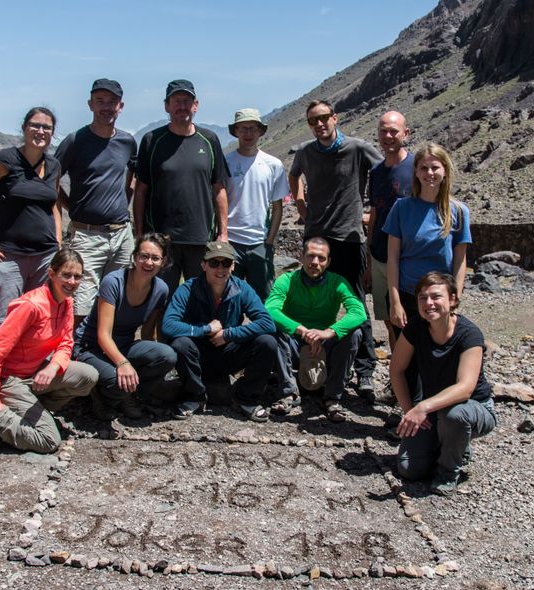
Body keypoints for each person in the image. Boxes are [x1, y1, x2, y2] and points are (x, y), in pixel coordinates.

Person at [0, 249, 98, 454]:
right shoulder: (31, 305)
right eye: (66, 275)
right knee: (48, 441)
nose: (72, 282)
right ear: (52, 273)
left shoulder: (66, 302)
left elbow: (66, 343)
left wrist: (53, 367)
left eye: (77, 276)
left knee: (88, 376)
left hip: (34, 372)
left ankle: (29, 411)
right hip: (9, 379)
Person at [0, 107, 62, 394]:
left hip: (44, 257)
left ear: (52, 133)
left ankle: (19, 385)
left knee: (36, 323)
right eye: (35, 125)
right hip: (10, 256)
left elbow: (53, 204)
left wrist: (57, 240)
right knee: (0, 324)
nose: (40, 131)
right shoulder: (6, 160)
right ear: (24, 127)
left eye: (46, 127)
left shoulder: (53, 165)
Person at [288, 100, 381, 398]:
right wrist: (301, 206)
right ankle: (311, 358)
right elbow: (294, 176)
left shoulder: (357, 148)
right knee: (310, 298)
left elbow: (384, 172)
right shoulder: (305, 152)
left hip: (349, 239)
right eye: (313, 120)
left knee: (356, 302)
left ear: (335, 118)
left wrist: (372, 213)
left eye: (324, 117)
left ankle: (365, 371)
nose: (319, 124)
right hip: (316, 237)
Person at [389, 272, 496, 496]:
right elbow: (396, 370)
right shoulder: (416, 328)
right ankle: (452, 445)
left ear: (453, 300)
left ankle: (448, 473)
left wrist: (422, 406)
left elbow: (465, 388)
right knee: (409, 469)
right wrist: (409, 410)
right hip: (434, 409)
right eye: (422, 297)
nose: (429, 303)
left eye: (436, 297)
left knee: (454, 415)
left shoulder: (469, 335)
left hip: (472, 407)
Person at [383, 143, 472, 400]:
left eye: (435, 167)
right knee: (407, 360)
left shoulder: (457, 211)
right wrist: (395, 301)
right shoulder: (401, 208)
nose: (429, 173)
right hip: (407, 293)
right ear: (416, 172)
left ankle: (436, 410)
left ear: (445, 171)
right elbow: (392, 257)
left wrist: (455, 297)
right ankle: (409, 412)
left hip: (440, 298)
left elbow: (460, 260)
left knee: (437, 356)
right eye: (423, 168)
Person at [162, 241, 277, 422]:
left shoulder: (242, 288)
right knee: (180, 343)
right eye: (214, 263)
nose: (220, 268)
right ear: (204, 265)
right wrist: (205, 329)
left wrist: (228, 334)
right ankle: (194, 396)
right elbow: (168, 325)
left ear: (233, 266)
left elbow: (267, 323)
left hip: (229, 352)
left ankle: (246, 399)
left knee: (267, 342)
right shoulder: (188, 288)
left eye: (226, 263)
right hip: (198, 355)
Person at [133, 79, 230, 293]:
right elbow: (141, 190)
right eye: (176, 101)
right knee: (160, 298)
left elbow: (219, 188)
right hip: (161, 240)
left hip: (201, 237)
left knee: (200, 297)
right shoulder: (151, 140)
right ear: (166, 106)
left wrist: (223, 233)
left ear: (196, 105)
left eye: (187, 101)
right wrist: (139, 233)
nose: (182, 106)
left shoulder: (209, 140)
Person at [55, 79, 137, 325]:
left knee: (118, 297)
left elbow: (133, 175)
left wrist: (124, 200)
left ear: (121, 106)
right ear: (90, 104)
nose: (106, 107)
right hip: (87, 235)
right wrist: (70, 206)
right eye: (100, 101)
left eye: (112, 102)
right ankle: (76, 348)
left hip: (122, 234)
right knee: (82, 301)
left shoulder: (127, 141)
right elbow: (51, 180)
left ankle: (110, 346)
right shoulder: (75, 141)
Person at [73, 233, 177, 420]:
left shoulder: (161, 289)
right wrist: (124, 364)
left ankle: (131, 395)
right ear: (135, 257)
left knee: (167, 355)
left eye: (155, 258)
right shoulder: (113, 282)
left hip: (124, 345)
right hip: (91, 347)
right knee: (118, 381)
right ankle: (102, 397)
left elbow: (147, 333)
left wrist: (152, 363)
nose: (149, 262)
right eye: (144, 256)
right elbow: (103, 335)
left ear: (163, 261)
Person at [265, 237, 367, 423]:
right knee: (271, 331)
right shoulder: (287, 280)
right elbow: (270, 309)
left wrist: (329, 332)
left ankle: (332, 397)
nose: (315, 262)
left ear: (328, 262)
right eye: (310, 256)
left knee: (355, 333)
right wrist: (300, 329)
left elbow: (359, 312)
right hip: (294, 342)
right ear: (301, 256)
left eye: (321, 258)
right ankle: (288, 392)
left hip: (324, 344)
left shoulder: (338, 282)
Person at [225, 108, 289, 300]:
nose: (248, 133)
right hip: (231, 241)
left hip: (259, 242)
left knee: (264, 298)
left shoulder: (273, 164)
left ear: (260, 131)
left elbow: (277, 206)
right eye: (243, 128)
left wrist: (269, 241)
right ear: (235, 131)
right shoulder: (225, 162)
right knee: (229, 297)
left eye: (252, 128)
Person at [366, 111, 413, 353]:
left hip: (408, 257)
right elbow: (374, 215)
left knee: (411, 316)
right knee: (388, 318)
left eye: (393, 131)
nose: (388, 136)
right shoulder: (376, 173)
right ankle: (398, 366)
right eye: (383, 131)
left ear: (406, 133)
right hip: (379, 255)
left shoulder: (418, 167)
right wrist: (368, 257)